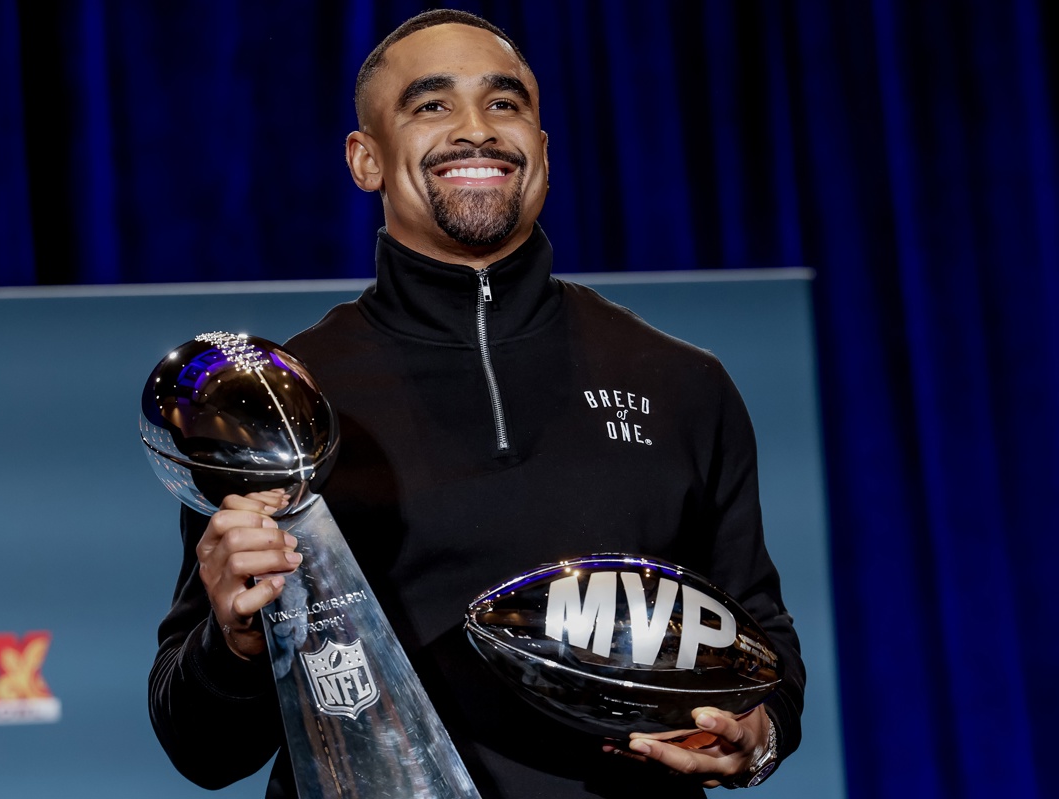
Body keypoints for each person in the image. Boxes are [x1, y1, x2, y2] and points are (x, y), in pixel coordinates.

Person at [149, 9, 804, 797]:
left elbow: (763, 651)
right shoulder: (287, 402)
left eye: (505, 104)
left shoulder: (682, 383)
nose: (476, 131)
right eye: (431, 105)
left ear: (544, 154)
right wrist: (235, 640)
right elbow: (202, 748)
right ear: (366, 160)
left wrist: (757, 735)